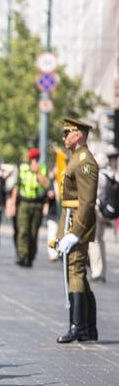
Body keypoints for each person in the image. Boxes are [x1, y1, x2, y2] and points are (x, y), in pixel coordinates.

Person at [54, 118, 99, 344]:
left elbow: (87, 201)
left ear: (78, 135)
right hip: (72, 222)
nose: (63, 138)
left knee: (75, 271)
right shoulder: (76, 159)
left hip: (78, 224)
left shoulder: (84, 161)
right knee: (77, 271)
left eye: (66, 133)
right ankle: (88, 326)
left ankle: (79, 326)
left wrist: (76, 232)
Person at [11, 148, 49, 267]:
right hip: (24, 203)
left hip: (37, 204)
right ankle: (22, 255)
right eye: (32, 159)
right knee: (23, 231)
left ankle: (30, 257)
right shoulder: (22, 169)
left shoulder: (43, 169)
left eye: (36, 159)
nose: (34, 161)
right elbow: (16, 187)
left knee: (33, 232)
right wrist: (12, 204)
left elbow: (47, 185)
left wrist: (37, 172)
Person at [89, 152, 115, 283]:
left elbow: (95, 194)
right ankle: (103, 270)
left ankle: (97, 271)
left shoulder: (99, 176)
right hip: (106, 211)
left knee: (94, 240)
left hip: (97, 209)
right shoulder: (110, 174)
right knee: (101, 239)